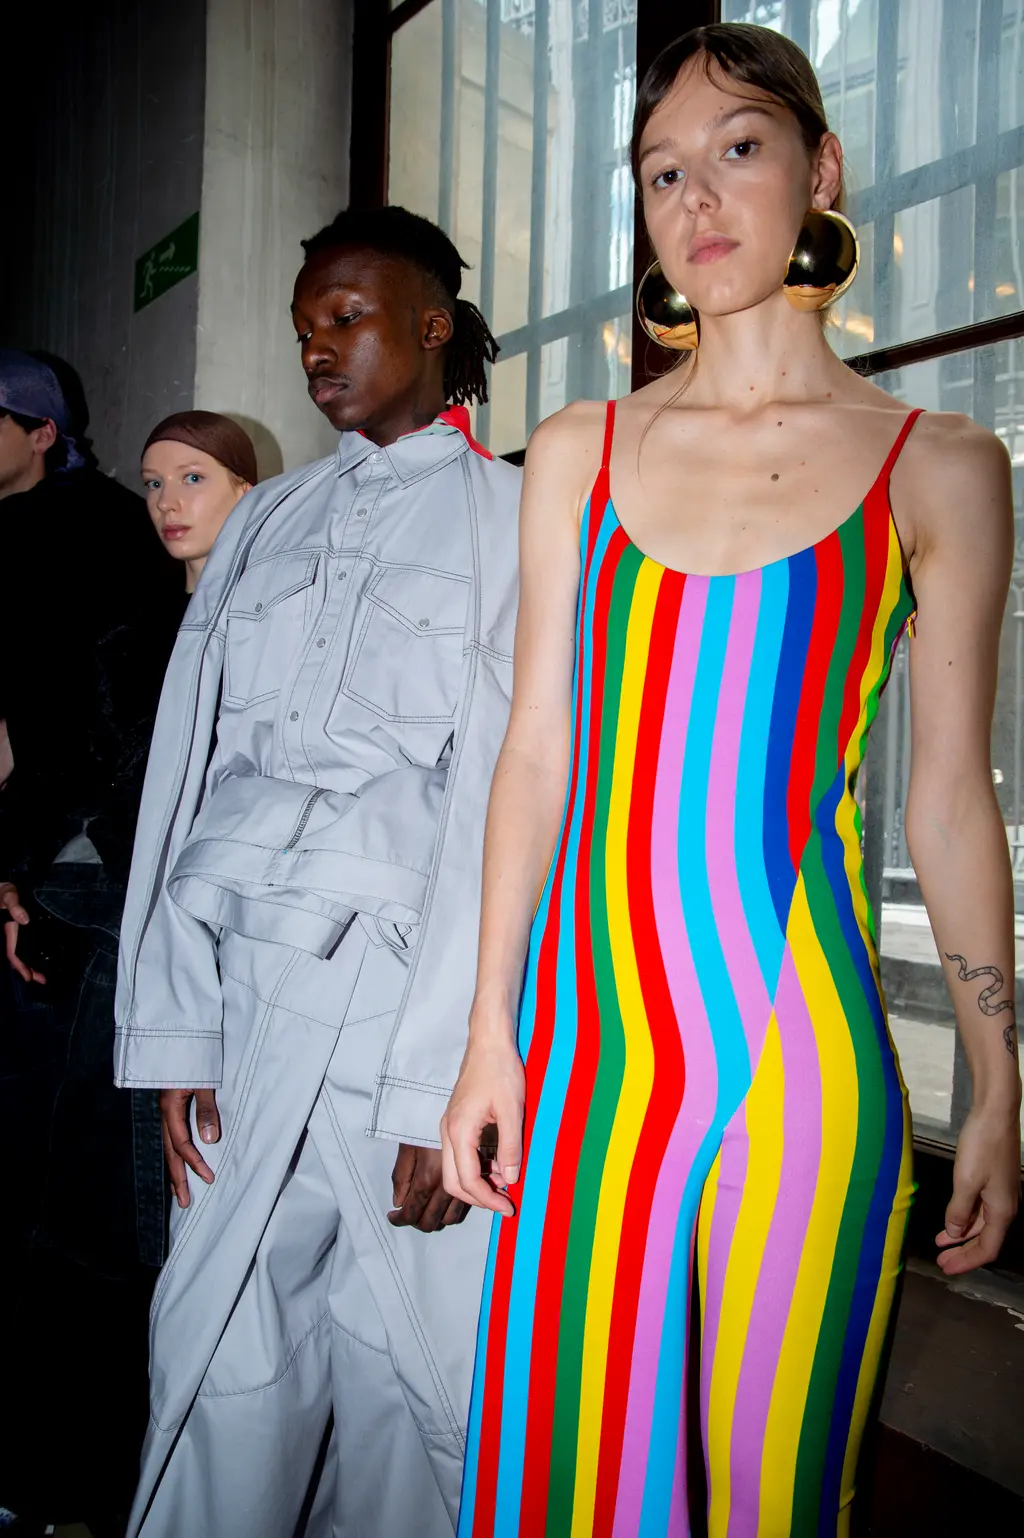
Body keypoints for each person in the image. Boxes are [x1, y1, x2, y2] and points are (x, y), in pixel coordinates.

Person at [441, 23, 1022, 1538]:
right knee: (564, 1475)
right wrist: (487, 1030)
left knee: (778, 1493)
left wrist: (997, 1082)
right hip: (583, 1062)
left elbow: (950, 799)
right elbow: (537, 752)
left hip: (802, 1062)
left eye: (738, 150)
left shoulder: (940, 462)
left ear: (821, 170)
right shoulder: (578, 448)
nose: (695, 198)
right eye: (661, 173)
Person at [115, 206, 521, 1537]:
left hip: (408, 1001)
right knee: (220, 1350)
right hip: (246, 992)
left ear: (433, 324)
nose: (318, 350)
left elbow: (507, 806)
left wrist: (439, 1080)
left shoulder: (519, 519)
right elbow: (192, 773)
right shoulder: (266, 523)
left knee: (413, 1370)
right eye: (303, 330)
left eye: (347, 318)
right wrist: (180, 1026)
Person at [0, 350, 184, 1535]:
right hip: (55, 873)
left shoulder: (102, 532)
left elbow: (111, 730)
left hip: (95, 887)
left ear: (42, 429)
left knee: (86, 1193)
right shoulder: (34, 531)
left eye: (194, 480)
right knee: (42, 1178)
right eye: (163, 481)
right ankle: (52, 1466)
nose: (171, 502)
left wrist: (32, 859)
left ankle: (90, 1475)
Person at [141, 410, 258, 592]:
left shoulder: (285, 602)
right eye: (154, 483)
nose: (164, 504)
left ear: (244, 492)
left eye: (193, 478)